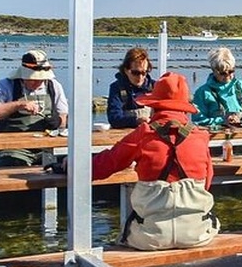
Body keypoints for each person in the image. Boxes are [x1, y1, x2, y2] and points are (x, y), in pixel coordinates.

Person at [90, 72, 218, 250]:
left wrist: (69, 165)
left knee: (124, 233)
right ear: (184, 109)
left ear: (154, 107)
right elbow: (207, 182)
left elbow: (103, 166)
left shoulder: (144, 134)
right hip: (197, 235)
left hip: (150, 238)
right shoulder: (200, 137)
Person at [0, 49, 68, 166]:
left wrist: (57, 121)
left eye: (41, 79)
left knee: (71, 163)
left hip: (46, 146)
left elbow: (64, 117)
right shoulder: (4, 85)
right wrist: (17, 105)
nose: (37, 83)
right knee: (12, 162)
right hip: (13, 147)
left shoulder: (54, 86)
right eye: (33, 79)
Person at [192, 47, 242, 128]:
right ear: (213, 70)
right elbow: (198, 120)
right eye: (223, 73)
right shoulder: (202, 92)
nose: (227, 76)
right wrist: (222, 120)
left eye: (231, 71)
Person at [107, 47, 156, 129]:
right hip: (124, 136)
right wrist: (136, 120)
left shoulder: (155, 86)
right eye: (135, 73)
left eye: (144, 72)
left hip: (150, 134)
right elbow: (114, 118)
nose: (140, 77)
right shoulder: (117, 88)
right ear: (126, 70)